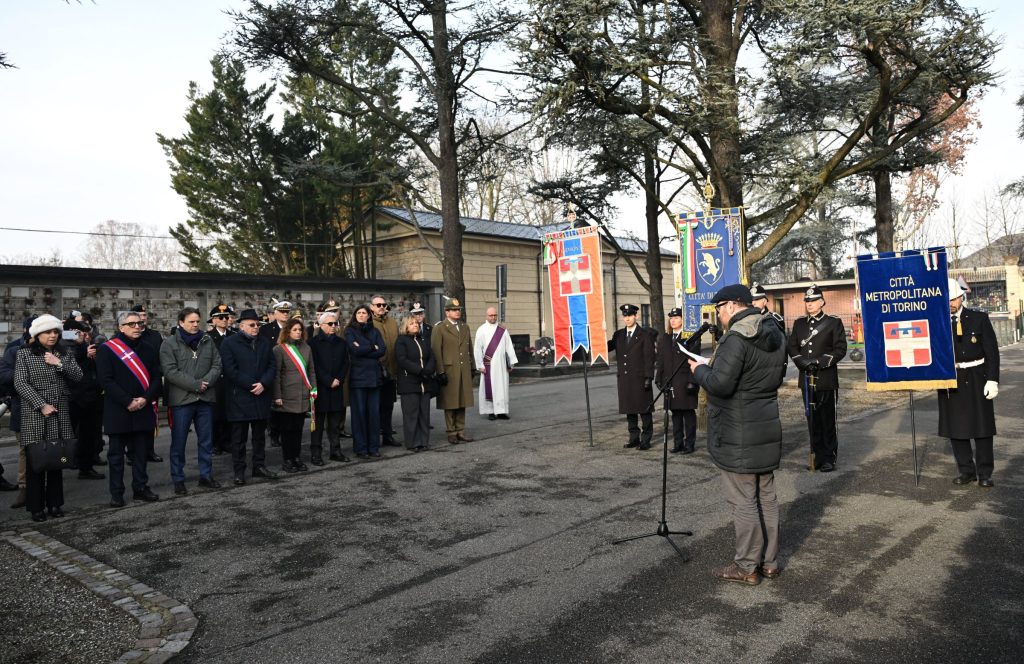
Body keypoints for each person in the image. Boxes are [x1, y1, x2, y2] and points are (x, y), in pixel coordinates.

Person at [688, 284, 787, 585]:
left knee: (744, 500)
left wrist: (699, 370)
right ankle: (769, 562)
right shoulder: (774, 330)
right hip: (765, 424)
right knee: (766, 497)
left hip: (738, 429)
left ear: (731, 305)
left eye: (718, 309)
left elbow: (721, 384)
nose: (718, 315)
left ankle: (746, 566)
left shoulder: (736, 337)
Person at [14, 315, 84, 522]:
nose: (52, 335)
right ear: (37, 335)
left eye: (55, 332)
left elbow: (78, 376)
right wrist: (41, 404)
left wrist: (59, 363)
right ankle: (36, 507)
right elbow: (20, 383)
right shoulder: (24, 354)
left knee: (57, 458)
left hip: (60, 412)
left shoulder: (65, 352)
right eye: (47, 332)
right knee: (36, 462)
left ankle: (55, 504)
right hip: (35, 413)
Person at [96, 310, 163, 507]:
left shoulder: (149, 348)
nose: (137, 327)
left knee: (141, 454)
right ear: (121, 327)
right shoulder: (107, 349)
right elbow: (106, 380)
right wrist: (128, 401)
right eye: (132, 324)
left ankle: (140, 488)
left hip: (143, 407)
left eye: (139, 324)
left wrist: (145, 399)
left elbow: (156, 377)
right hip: (118, 409)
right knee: (116, 456)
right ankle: (117, 493)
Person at [940, 278, 1000, 488]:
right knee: (956, 427)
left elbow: (992, 353)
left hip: (977, 376)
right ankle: (966, 471)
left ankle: (985, 473)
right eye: (947, 300)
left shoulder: (978, 319)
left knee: (982, 427)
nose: (951, 303)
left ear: (961, 297)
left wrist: (992, 379)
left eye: (954, 299)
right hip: (951, 377)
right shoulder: (939, 322)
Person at [160, 307, 223, 494]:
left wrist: (206, 382)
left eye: (197, 321)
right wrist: (196, 385)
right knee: (179, 441)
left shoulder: (207, 340)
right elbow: (170, 371)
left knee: (206, 440)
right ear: (181, 323)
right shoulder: (169, 344)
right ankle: (178, 479)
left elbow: (217, 364)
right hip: (182, 401)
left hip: (205, 398)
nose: (195, 325)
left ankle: (206, 475)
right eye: (191, 322)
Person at [786, 284, 847, 472]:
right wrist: (802, 362)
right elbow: (792, 347)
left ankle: (829, 458)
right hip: (806, 378)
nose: (809, 304)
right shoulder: (799, 324)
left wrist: (818, 362)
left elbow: (840, 349)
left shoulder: (833, 322)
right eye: (807, 301)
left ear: (822, 302)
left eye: (813, 301)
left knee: (827, 420)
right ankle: (817, 456)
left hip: (825, 378)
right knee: (812, 420)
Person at [219, 309, 279, 485]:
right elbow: (230, 370)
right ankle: (239, 471)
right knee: (239, 438)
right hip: (240, 396)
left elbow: (272, 365)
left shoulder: (264, 342)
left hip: (261, 395)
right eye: (252, 325)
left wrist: (264, 383)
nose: (256, 328)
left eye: (258, 324)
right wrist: (252, 384)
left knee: (259, 436)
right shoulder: (229, 343)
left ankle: (259, 466)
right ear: (242, 326)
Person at [0, 316, 37, 505]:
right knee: (25, 449)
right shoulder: (14, 350)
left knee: (47, 448)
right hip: (22, 407)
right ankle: (24, 487)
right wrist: (27, 374)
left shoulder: (54, 351)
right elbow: (4, 376)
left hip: (48, 409)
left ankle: (45, 488)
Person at [607, 303, 655, 450]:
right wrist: (597, 335)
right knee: (630, 410)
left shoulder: (644, 334)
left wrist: (648, 378)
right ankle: (634, 438)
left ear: (636, 316)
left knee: (644, 410)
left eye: (630, 315)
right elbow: (606, 347)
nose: (627, 318)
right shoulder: (619, 335)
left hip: (640, 379)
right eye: (625, 316)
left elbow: (649, 358)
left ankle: (646, 440)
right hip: (625, 379)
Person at [272, 317, 316, 472]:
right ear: (288, 331)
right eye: (295, 330)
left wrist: (314, 389)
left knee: (298, 430)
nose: (298, 332)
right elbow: (276, 375)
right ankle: (288, 459)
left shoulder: (307, 348)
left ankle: (296, 458)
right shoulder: (279, 349)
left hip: (302, 395)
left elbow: (311, 371)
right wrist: (277, 395)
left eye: (300, 330)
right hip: (286, 396)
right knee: (287, 431)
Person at [64, 319, 105, 479]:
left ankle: (85, 466)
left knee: (88, 435)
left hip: (89, 397)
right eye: (80, 332)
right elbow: (69, 366)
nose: (84, 335)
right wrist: (84, 353)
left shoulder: (81, 346)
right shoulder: (65, 345)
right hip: (73, 399)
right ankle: (66, 461)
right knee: (68, 435)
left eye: (86, 333)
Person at [655, 307, 700, 454]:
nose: (673, 321)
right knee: (675, 414)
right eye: (671, 318)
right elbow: (661, 360)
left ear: (683, 320)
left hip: (685, 381)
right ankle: (678, 443)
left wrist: (692, 381)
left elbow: (695, 359)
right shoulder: (665, 338)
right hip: (671, 381)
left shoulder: (690, 337)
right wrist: (658, 378)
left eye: (676, 318)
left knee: (688, 414)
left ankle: (689, 444)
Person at [431, 298, 475, 445]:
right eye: (454, 310)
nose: (457, 312)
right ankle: (451, 432)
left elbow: (469, 348)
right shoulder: (440, 328)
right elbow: (436, 351)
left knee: (462, 400)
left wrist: (473, 366)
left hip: (464, 369)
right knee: (450, 402)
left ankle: (460, 430)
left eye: (458, 310)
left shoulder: (464, 327)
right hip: (449, 370)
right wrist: (440, 371)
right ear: (447, 312)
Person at [345, 305, 386, 458]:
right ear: (355, 315)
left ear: (369, 316)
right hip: (358, 379)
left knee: (374, 414)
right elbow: (354, 350)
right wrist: (372, 347)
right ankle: (361, 448)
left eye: (364, 313)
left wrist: (363, 347)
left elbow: (382, 350)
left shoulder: (375, 331)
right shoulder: (350, 331)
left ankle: (374, 447)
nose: (362, 315)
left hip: (374, 378)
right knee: (359, 415)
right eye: (359, 313)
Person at [309, 311, 349, 464]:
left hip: (336, 387)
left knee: (335, 423)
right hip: (321, 388)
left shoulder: (341, 342)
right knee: (317, 424)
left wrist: (339, 379)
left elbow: (346, 363)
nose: (334, 326)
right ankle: (316, 453)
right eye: (330, 324)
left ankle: (335, 451)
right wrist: (328, 380)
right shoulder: (313, 343)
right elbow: (314, 366)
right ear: (321, 325)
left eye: (335, 323)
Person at [129, 304, 164, 464]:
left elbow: (160, 358)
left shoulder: (155, 336)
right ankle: (132, 453)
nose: (142, 318)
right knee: (132, 420)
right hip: (133, 384)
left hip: (151, 384)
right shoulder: (126, 335)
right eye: (139, 315)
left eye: (144, 315)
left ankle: (149, 450)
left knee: (151, 419)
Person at [396, 316, 436, 451]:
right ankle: (413, 443)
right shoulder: (401, 341)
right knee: (411, 415)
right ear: (406, 327)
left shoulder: (423, 340)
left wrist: (428, 370)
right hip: (409, 383)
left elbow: (431, 357)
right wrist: (420, 371)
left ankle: (424, 441)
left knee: (424, 414)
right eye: (412, 323)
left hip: (424, 383)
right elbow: (402, 360)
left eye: (416, 323)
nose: (415, 325)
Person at [473, 307, 518, 420]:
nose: (493, 317)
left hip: (502, 365)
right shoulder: (481, 330)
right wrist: (480, 365)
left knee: (502, 388)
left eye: (495, 315)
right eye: (491, 315)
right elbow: (477, 349)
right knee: (490, 388)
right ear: (486, 316)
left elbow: (509, 346)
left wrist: (510, 363)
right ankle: (491, 412)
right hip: (489, 365)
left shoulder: (502, 330)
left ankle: (502, 411)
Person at [371, 295, 401, 447]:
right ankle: (375, 437)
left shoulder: (392, 323)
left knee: (388, 406)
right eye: (378, 305)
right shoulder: (369, 323)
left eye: (383, 304)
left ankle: (387, 436)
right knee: (375, 406)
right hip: (375, 372)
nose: (381, 307)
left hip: (391, 371)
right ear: (372, 307)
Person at [260, 299, 291, 448]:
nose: (285, 314)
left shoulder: (292, 328)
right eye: (282, 312)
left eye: (287, 312)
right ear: (275, 313)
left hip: (289, 372)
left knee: (287, 404)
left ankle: (285, 432)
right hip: (273, 370)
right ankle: (274, 433)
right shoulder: (266, 329)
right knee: (274, 405)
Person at [207, 304, 235, 455]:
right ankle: (215, 442)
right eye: (221, 317)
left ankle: (227, 441)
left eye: (226, 317)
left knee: (229, 412)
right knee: (215, 413)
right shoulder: (207, 337)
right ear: (213, 320)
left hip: (231, 379)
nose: (224, 320)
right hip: (215, 380)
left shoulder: (234, 336)